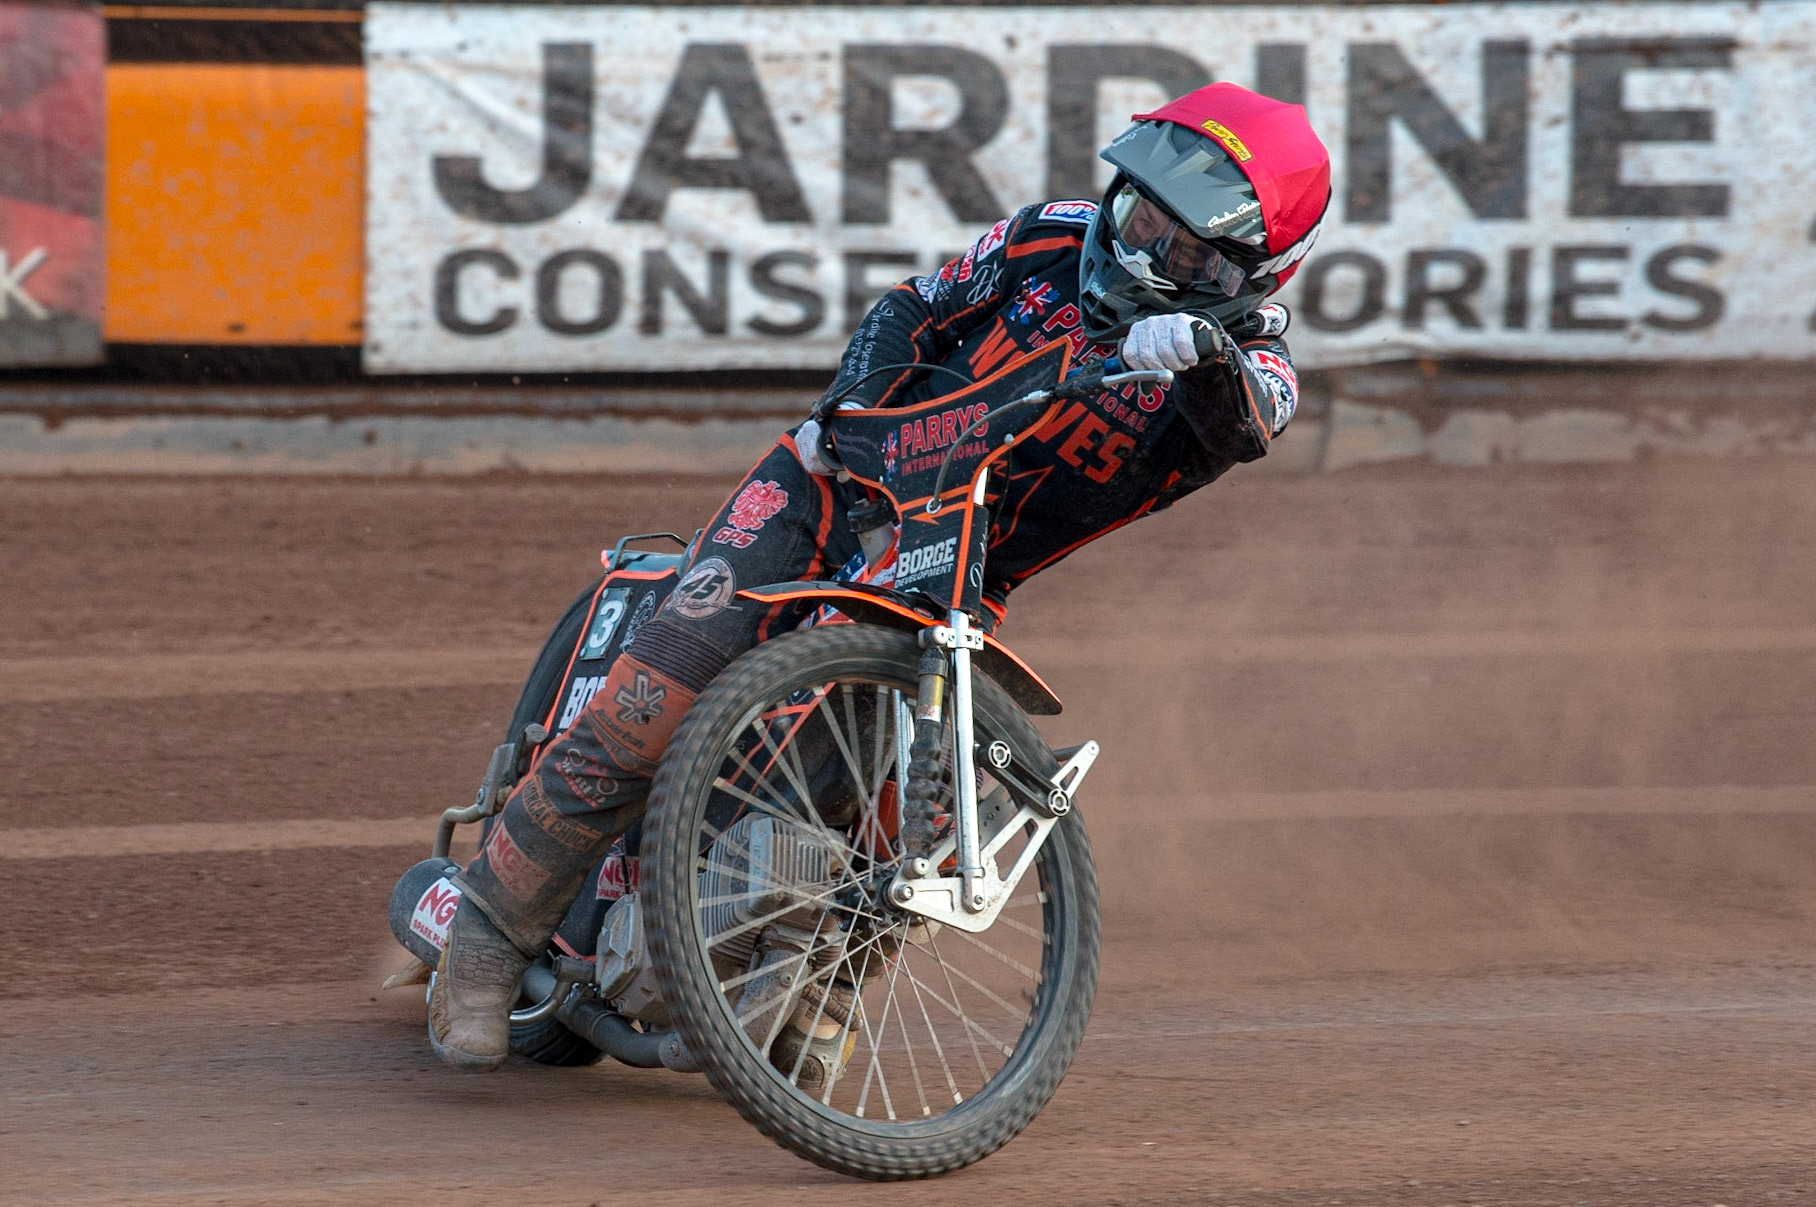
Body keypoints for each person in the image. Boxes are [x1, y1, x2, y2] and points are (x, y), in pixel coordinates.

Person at [428, 81, 1332, 1072]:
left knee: (919, 812)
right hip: (832, 482)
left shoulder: (1254, 365)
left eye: (1186, 248)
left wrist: (1200, 361)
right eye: (1139, 214)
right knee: (652, 697)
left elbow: (1246, 421)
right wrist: (843, 410)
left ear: (1254, 272)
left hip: (958, 569)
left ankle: (819, 1004)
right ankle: (485, 936)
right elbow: (913, 303)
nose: (1142, 249)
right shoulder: (1048, 237)